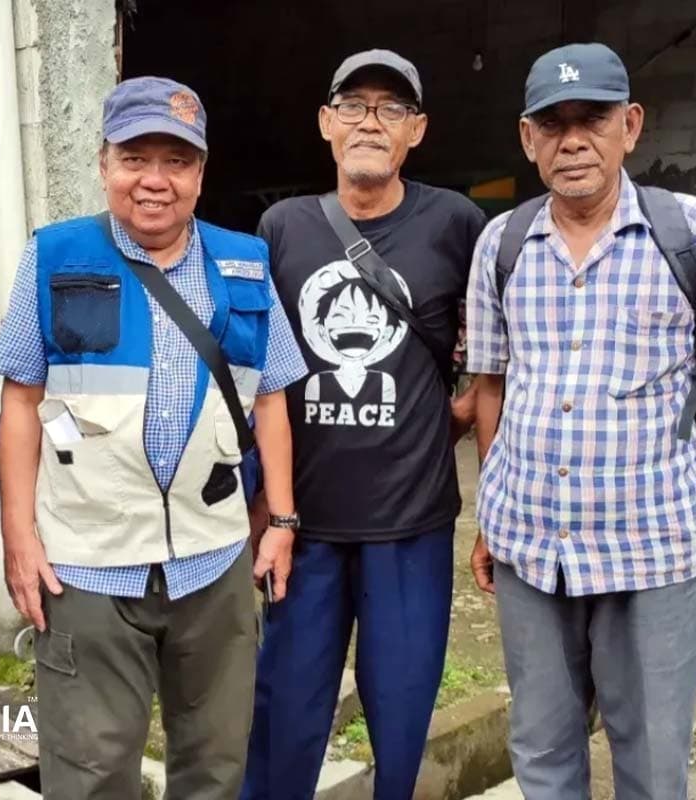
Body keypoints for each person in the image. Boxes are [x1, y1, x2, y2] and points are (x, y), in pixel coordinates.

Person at [466, 43, 696, 800]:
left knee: (653, 763)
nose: (572, 141)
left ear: (630, 126)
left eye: (591, 119)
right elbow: (490, 382)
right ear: (528, 139)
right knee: (541, 749)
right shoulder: (501, 246)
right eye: (551, 124)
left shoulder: (695, 233)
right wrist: (491, 511)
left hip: (650, 554)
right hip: (531, 551)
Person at [0, 76, 306, 799]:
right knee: (92, 773)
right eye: (135, 157)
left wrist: (281, 519)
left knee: (215, 768)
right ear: (104, 164)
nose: (154, 181)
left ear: (200, 172)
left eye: (177, 161)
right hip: (87, 568)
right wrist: (20, 537)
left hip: (213, 562)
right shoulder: (53, 255)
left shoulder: (245, 262)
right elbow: (20, 403)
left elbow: (274, 401)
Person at [242, 50, 486, 800]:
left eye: (391, 109)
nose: (369, 122)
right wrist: (266, 508)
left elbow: (491, 354)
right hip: (305, 529)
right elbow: (263, 377)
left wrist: (459, 415)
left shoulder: (456, 222)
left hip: (410, 527)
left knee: (402, 717)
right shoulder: (281, 228)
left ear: (417, 130)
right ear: (326, 124)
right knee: (284, 715)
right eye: (353, 105)